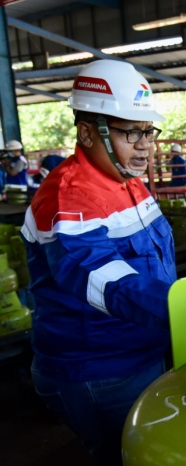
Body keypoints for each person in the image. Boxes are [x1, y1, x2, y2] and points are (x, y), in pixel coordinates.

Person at [19, 59, 176, 466]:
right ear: (88, 132)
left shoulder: (128, 180)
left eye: (148, 132)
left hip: (144, 350)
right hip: (102, 371)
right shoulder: (68, 197)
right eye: (130, 132)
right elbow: (105, 279)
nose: (145, 145)